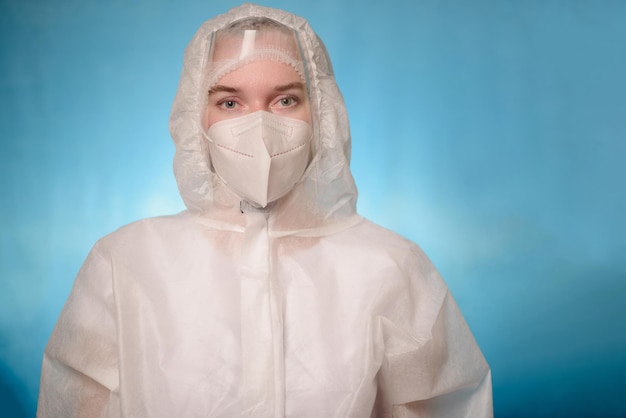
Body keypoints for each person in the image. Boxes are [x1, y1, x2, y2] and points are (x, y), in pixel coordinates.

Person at [37, 4, 493, 417]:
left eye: (285, 100)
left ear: (323, 116)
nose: (259, 124)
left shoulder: (390, 266)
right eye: (230, 102)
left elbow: (449, 406)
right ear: (197, 117)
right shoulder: (127, 263)